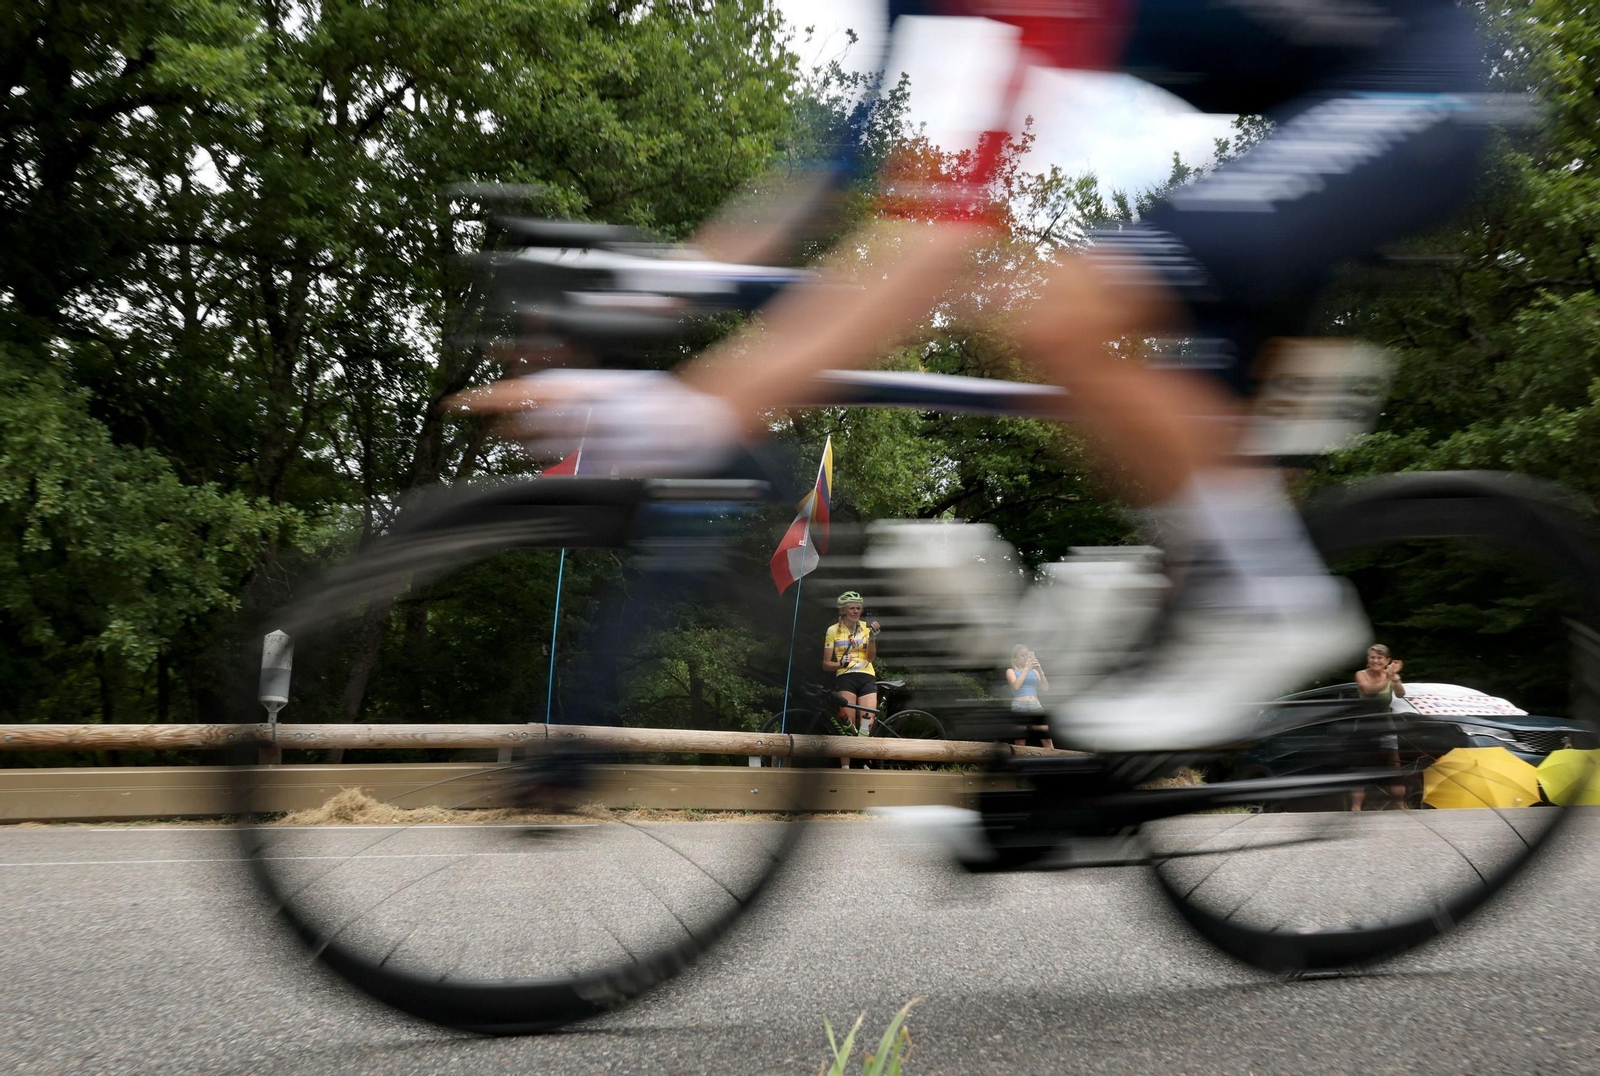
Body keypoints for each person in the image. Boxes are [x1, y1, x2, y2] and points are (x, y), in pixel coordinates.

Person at [466, 0, 1495, 755]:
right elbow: (817, 183)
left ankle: (1275, 596)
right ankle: (1092, 771)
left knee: (1056, 315)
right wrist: (634, 303)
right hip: (1308, 109)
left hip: (1417, 86)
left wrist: (699, 401)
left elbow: (937, 236)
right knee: (1173, 481)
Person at [824, 590, 881, 769]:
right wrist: (840, 663)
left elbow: (871, 658)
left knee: (867, 724)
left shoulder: (866, 628)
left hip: (866, 675)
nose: (856, 611)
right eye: (852, 608)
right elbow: (826, 664)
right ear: (843, 610)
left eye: (858, 608)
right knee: (848, 725)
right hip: (846, 677)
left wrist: (872, 639)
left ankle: (865, 766)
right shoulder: (833, 630)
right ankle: (846, 768)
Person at [1352, 643, 1406, 811]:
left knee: (1394, 766)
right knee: (1361, 767)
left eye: (1379, 658)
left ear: (1387, 660)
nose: (1376, 661)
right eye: (1372, 657)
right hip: (1364, 728)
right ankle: (1356, 807)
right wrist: (1388, 677)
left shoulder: (1389, 676)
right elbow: (1369, 691)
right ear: (1368, 660)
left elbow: (1400, 693)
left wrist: (1395, 677)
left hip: (1386, 727)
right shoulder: (1361, 674)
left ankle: (1400, 804)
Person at [1007, 645, 1055, 749]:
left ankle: (1054, 760)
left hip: (1035, 704)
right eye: (1022, 655)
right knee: (1020, 741)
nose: (1025, 657)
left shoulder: (1034, 672)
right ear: (1015, 658)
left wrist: (1039, 669)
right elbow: (1015, 686)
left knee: (1046, 736)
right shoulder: (1011, 671)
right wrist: (1025, 670)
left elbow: (1045, 687)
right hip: (1019, 706)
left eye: (1026, 655)